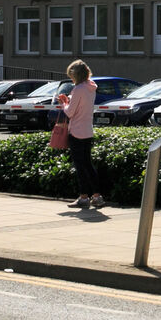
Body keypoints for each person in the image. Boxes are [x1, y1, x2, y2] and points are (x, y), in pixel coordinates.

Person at [58, 59, 103, 209]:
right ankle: (97, 196)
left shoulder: (77, 89)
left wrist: (64, 103)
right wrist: (70, 100)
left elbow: (70, 112)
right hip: (87, 130)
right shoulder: (91, 88)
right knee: (88, 164)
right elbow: (82, 104)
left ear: (75, 75)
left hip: (76, 131)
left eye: (71, 75)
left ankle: (84, 197)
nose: (71, 78)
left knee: (80, 166)